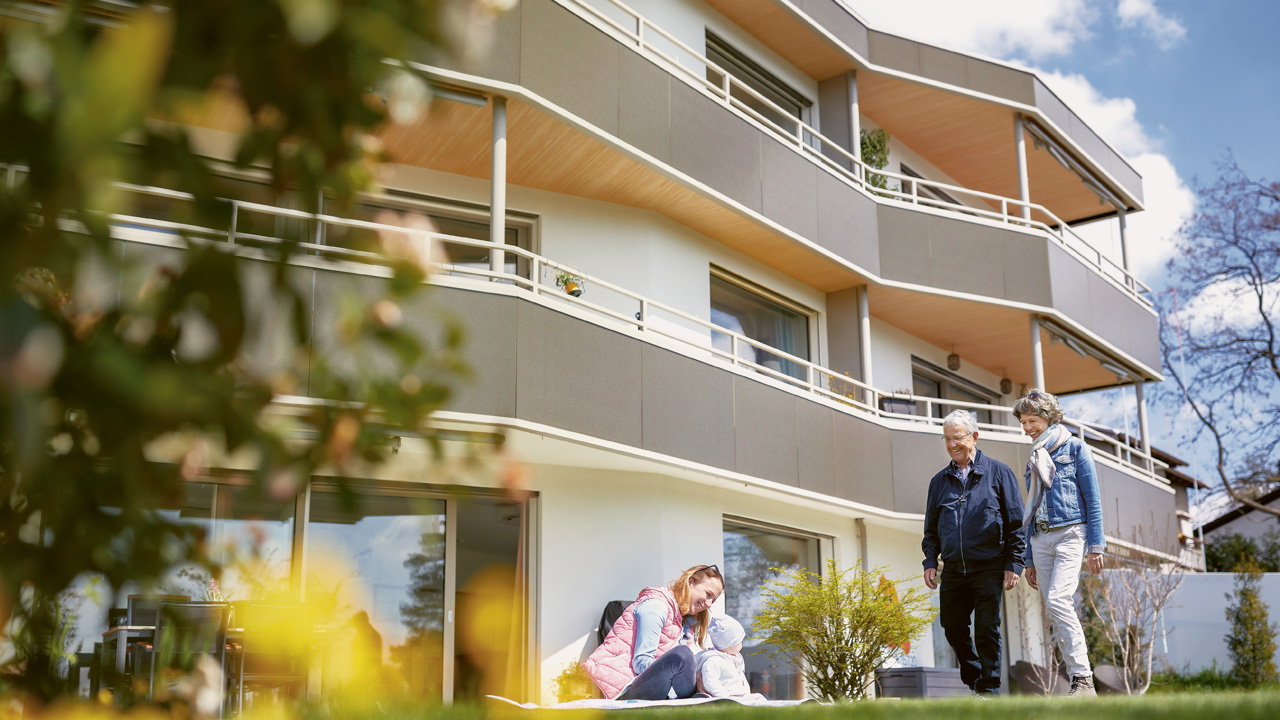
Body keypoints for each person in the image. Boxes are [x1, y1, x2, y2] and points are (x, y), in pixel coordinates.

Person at [922, 409, 1025, 696]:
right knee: (952, 627)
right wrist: (931, 561)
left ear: (975, 437)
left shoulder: (999, 473)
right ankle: (975, 676)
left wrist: (1014, 563)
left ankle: (989, 691)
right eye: (947, 439)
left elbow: (1017, 523)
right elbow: (930, 529)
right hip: (953, 568)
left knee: (986, 629)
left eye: (958, 438)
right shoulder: (939, 482)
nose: (952, 444)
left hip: (989, 566)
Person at [1013, 389, 1105, 697]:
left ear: (1050, 418)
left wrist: (1096, 546)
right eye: (1024, 422)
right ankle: (1078, 682)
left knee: (1058, 600)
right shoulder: (1035, 456)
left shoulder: (1075, 448)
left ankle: (1083, 677)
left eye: (1033, 420)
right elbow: (1032, 505)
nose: (1028, 428)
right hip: (1040, 538)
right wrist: (1027, 558)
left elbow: (1092, 499)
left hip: (1070, 534)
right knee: (1054, 609)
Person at [583, 564, 724, 701]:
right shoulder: (656, 606)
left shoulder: (683, 623)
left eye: (714, 600)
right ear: (691, 582)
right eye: (708, 594)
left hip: (645, 684)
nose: (709, 604)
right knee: (682, 655)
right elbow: (641, 662)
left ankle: (697, 698)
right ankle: (695, 700)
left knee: (701, 659)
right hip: (625, 687)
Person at [694, 615, 750, 697]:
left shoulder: (735, 659)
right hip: (728, 695)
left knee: (759, 697)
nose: (742, 643)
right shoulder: (714, 660)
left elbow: (742, 679)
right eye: (740, 641)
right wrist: (722, 697)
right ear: (731, 644)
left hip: (739, 695)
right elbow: (710, 680)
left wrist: (747, 694)